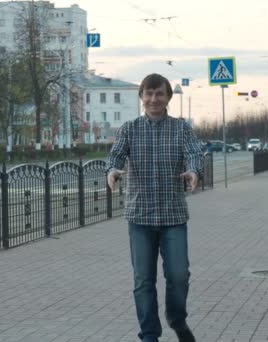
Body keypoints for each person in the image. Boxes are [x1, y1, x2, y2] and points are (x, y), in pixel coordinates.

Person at [107, 73, 203, 342]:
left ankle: (176, 318)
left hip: (173, 215)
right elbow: (115, 156)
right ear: (141, 97)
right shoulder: (129, 129)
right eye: (148, 94)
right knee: (143, 281)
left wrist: (194, 171)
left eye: (159, 93)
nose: (153, 99)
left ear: (168, 97)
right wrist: (112, 171)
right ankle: (149, 335)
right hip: (140, 217)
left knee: (179, 275)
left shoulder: (181, 128)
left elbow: (195, 153)